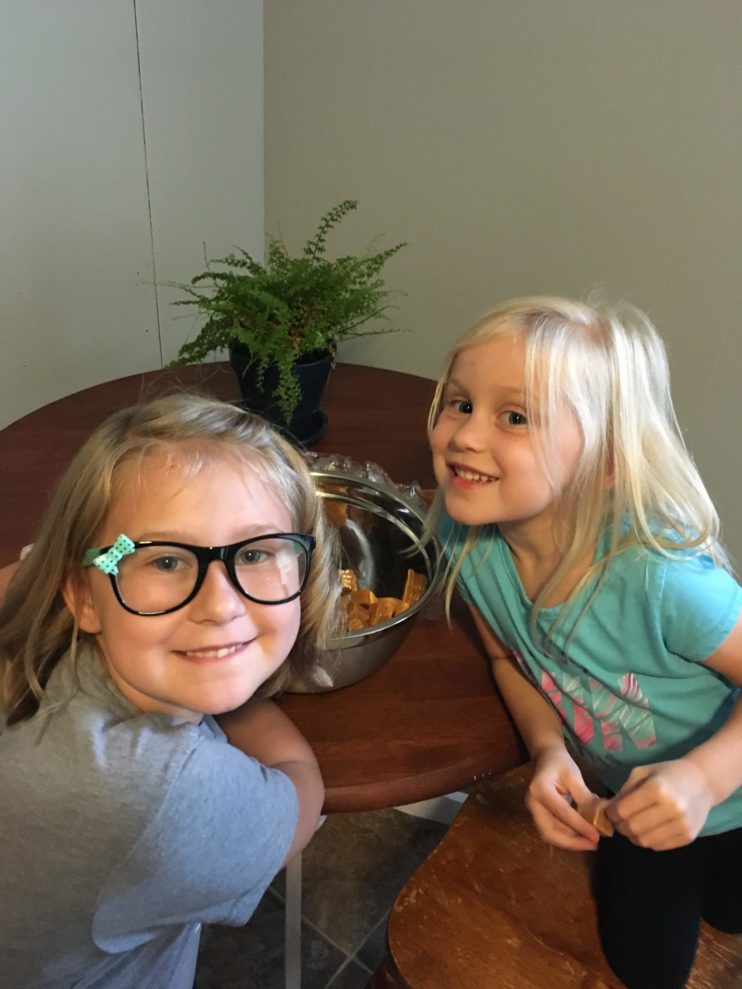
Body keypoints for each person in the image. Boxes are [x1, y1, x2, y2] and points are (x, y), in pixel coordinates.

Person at [426, 296, 742, 989]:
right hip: (632, 804)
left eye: (515, 416)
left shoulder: (662, 578)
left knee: (732, 910)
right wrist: (549, 750)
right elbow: (508, 658)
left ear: (605, 460)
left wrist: (705, 778)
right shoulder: (463, 538)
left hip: (733, 790)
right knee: (645, 967)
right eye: (459, 403)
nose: (465, 435)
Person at [0, 393, 341, 988]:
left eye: (254, 553)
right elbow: (297, 794)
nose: (220, 606)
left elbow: (29, 569)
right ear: (81, 595)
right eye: (164, 562)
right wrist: (239, 694)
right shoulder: (161, 795)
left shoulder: (69, 607)